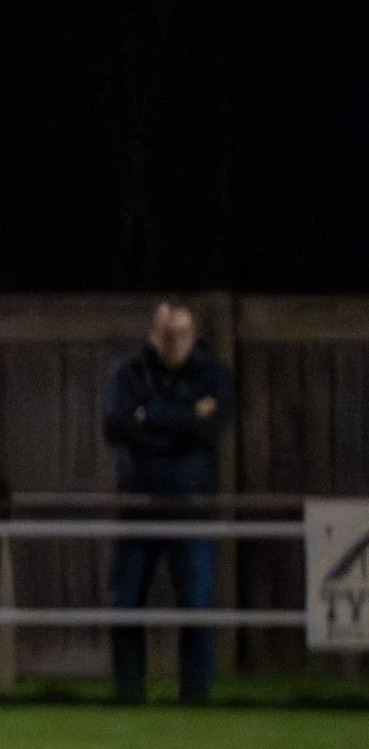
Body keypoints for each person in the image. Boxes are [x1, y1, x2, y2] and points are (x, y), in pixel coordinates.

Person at [102, 299, 235, 704]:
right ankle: (129, 693)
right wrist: (186, 418)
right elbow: (115, 426)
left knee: (196, 604)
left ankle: (195, 696)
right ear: (152, 335)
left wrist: (151, 416)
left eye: (183, 333)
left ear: (194, 336)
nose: (175, 341)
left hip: (192, 507)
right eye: (167, 333)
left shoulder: (214, 373)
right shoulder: (128, 373)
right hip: (137, 507)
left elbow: (209, 432)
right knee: (125, 603)